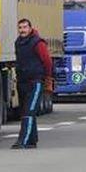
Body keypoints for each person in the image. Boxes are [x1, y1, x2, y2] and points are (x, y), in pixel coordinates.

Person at [13, 18, 54, 149]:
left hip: (35, 81)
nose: (22, 30)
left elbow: (47, 61)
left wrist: (47, 78)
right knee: (25, 111)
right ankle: (32, 140)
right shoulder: (18, 43)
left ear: (30, 28)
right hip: (22, 81)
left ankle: (23, 140)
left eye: (25, 27)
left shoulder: (38, 43)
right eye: (20, 28)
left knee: (29, 112)